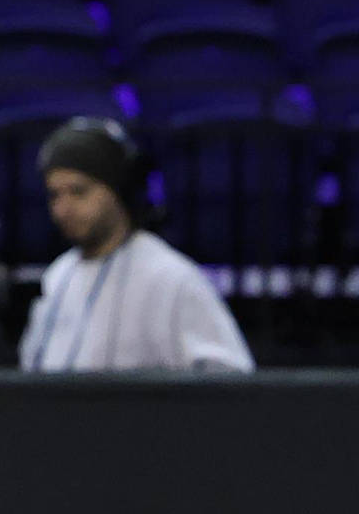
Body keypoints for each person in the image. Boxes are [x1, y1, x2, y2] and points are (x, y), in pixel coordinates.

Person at [20, 117, 255, 372]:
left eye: (79, 192)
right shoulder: (59, 274)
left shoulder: (170, 277)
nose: (62, 209)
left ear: (119, 191)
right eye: (55, 195)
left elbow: (230, 378)